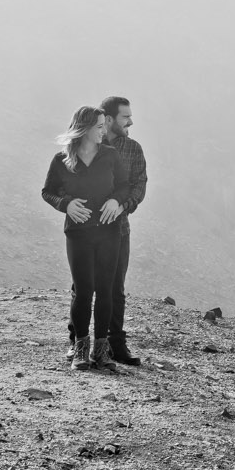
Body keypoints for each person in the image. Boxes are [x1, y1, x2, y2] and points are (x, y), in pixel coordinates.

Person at [40, 105, 131, 372]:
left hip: (108, 231)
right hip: (78, 233)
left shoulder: (110, 156)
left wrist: (117, 200)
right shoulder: (62, 160)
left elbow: (125, 186)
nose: (104, 131)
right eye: (100, 127)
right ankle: (80, 349)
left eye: (104, 125)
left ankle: (100, 351)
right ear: (85, 128)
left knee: (105, 290)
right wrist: (65, 204)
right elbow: (48, 192)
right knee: (83, 290)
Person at [97, 94, 148, 365]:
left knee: (116, 289)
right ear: (108, 119)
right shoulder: (89, 145)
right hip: (89, 230)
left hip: (120, 229)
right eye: (125, 117)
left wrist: (123, 205)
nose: (131, 121)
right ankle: (80, 342)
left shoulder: (133, 149)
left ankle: (116, 345)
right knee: (84, 287)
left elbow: (139, 184)